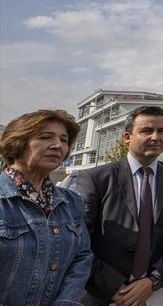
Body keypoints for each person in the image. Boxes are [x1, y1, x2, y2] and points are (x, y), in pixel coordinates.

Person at [77, 106, 163, 306]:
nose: (156, 137)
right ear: (127, 137)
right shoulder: (96, 178)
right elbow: (80, 241)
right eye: (147, 131)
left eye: (162, 131)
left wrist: (153, 280)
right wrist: (115, 287)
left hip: (154, 293)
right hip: (103, 294)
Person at [0, 110, 93, 306]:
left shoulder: (72, 202)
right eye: (45, 137)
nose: (58, 145)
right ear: (18, 143)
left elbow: (82, 257)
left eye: (64, 140)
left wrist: (65, 302)